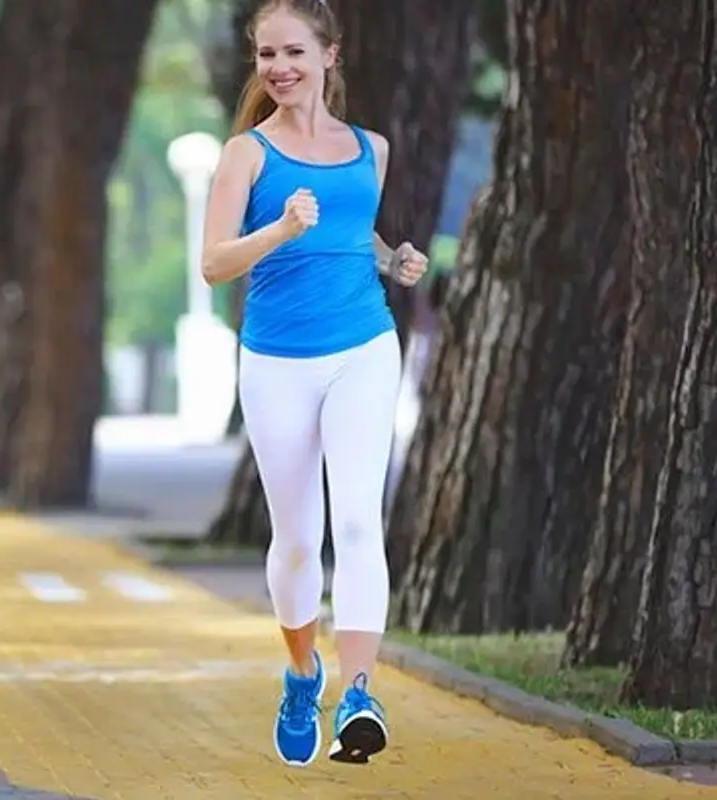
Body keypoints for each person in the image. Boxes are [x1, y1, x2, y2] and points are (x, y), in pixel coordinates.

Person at [201, 0, 429, 769]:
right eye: (267, 54)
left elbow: (351, 234)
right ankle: (303, 672)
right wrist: (279, 232)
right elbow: (215, 263)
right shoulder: (246, 155)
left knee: (359, 522)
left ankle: (359, 691)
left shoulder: (372, 148)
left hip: (364, 345)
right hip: (276, 362)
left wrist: (391, 258)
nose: (279, 67)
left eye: (294, 51)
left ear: (331, 55)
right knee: (299, 539)